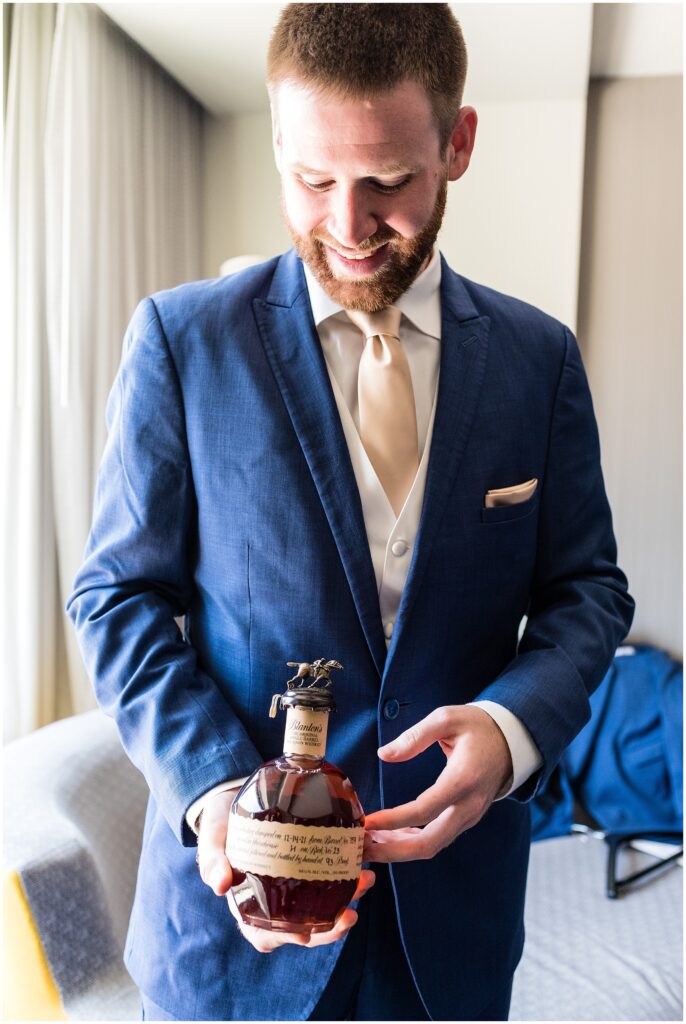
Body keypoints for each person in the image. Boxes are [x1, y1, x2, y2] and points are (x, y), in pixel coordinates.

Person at [67, 4, 635, 1021]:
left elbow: (584, 590)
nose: (346, 224)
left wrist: (509, 731)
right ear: (278, 143)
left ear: (455, 144)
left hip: (449, 928)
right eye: (312, 179)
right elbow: (116, 596)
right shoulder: (180, 341)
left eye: (387, 183)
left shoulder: (536, 360)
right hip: (231, 939)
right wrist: (218, 802)